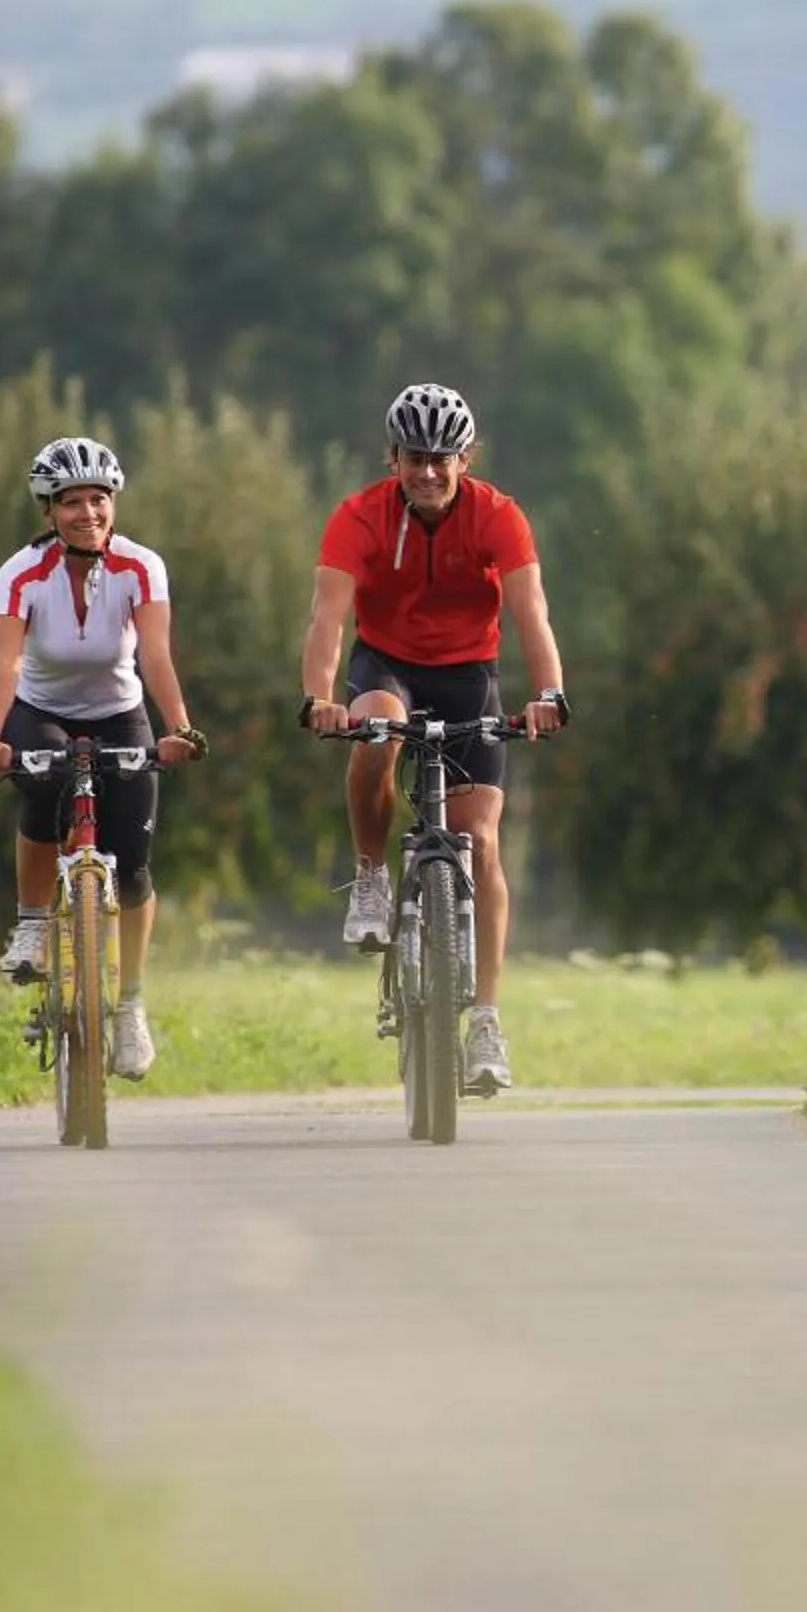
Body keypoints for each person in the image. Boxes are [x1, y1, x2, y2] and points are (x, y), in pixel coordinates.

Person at [296, 382, 567, 1094]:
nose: (428, 471)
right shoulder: (357, 517)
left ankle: (484, 1022)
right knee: (375, 731)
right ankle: (373, 878)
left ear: (465, 458)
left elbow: (531, 612)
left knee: (481, 844)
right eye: (415, 456)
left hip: (469, 673)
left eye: (442, 458)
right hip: (386, 663)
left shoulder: (499, 516)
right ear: (392, 458)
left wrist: (547, 695)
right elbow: (328, 617)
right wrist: (321, 697)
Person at [0, 435, 204, 1081]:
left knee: (134, 867)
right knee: (42, 787)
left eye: (99, 499)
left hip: (120, 711)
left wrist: (179, 729)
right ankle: (34, 923)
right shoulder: (20, 573)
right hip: (41, 711)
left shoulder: (141, 566)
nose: (88, 513)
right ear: (48, 511)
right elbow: (7, 663)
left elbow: (154, 655)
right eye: (72, 502)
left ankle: (129, 1007)